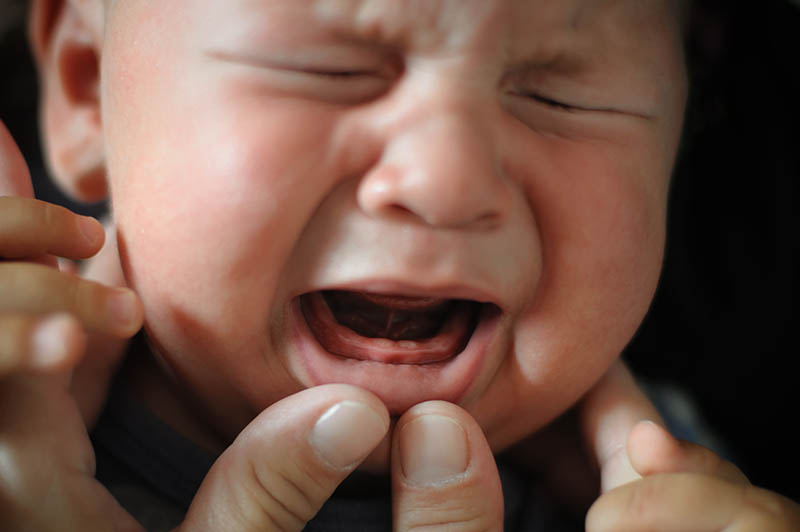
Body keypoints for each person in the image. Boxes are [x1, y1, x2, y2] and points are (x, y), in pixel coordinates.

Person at [1, 0, 798, 530]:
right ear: (86, 88)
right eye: (330, 70)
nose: (445, 184)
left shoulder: (677, 486)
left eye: (562, 98)